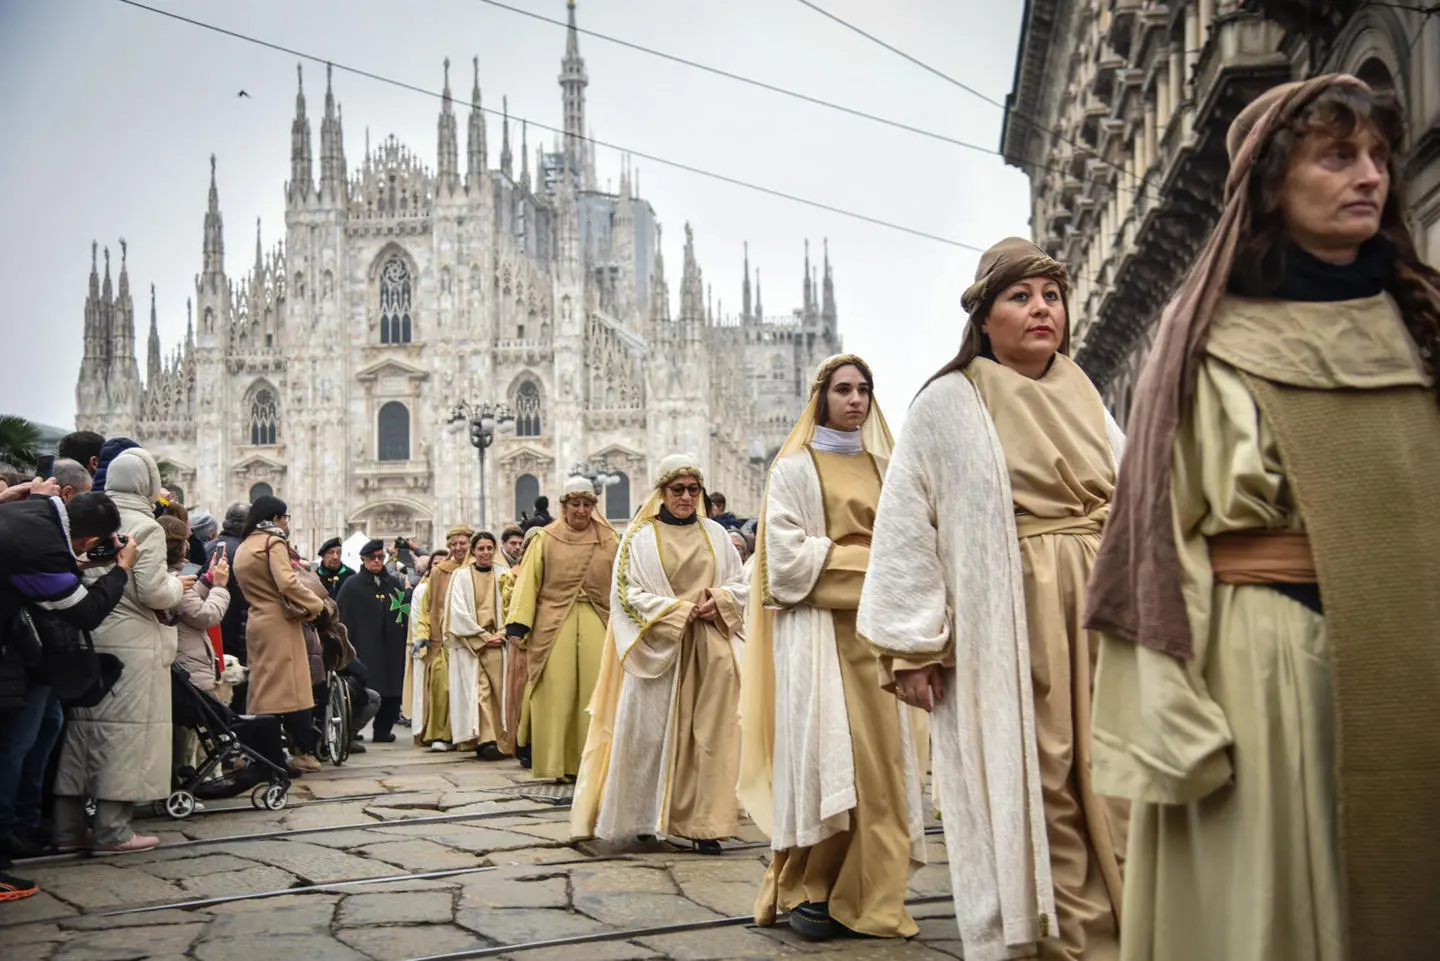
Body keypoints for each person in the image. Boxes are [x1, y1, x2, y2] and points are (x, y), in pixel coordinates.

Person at [1086, 76, 1440, 961]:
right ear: (1273, 182)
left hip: (1417, 658)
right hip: (1273, 671)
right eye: (1337, 155)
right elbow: (1156, 541)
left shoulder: (1421, 323)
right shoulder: (1211, 337)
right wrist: (1170, 707)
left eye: (1379, 157)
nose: (1369, 177)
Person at [857, 239, 1128, 960]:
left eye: (1052, 296)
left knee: (1116, 770)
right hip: (1011, 613)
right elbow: (908, 523)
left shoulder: (1084, 390)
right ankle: (1070, 939)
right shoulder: (949, 402)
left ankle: (1133, 923)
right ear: (984, 316)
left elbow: (1137, 495)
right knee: (1044, 775)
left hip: (1101, 605)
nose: (1042, 309)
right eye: (1021, 296)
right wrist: (915, 642)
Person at [739, 354, 927, 942]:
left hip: (881, 639)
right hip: (820, 643)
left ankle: (873, 893)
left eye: (864, 390)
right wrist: (876, 566)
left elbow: (917, 545)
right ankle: (812, 886)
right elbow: (786, 565)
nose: (855, 400)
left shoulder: (887, 468)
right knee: (826, 759)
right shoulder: (793, 470)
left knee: (881, 767)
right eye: (843, 389)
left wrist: (875, 569)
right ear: (821, 397)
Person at [573, 454, 749, 852]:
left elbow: (742, 585)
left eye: (693, 489)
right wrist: (677, 612)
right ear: (662, 493)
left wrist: (720, 599)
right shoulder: (639, 538)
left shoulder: (717, 535)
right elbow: (627, 595)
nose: (686, 497)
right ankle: (642, 816)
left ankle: (704, 825)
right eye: (677, 489)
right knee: (647, 735)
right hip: (658, 650)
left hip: (709, 649)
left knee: (710, 738)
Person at [53, 448, 188, 855]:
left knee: (82, 734)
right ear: (146, 482)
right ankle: (114, 831)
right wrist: (181, 586)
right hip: (132, 646)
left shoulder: (87, 515)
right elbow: (153, 591)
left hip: (89, 635)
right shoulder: (145, 528)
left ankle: (66, 831)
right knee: (123, 737)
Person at [0, 489, 134, 874]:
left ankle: (22, 822)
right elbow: (87, 612)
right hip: (17, 652)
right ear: (91, 540)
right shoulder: (40, 547)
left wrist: (85, 560)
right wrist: (121, 569)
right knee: (16, 742)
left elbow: (54, 576)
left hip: (23, 651)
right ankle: (6, 828)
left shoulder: (36, 511)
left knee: (40, 730)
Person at [505, 478, 619, 781]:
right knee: (558, 691)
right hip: (553, 622)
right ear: (564, 506)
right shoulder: (545, 538)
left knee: (596, 690)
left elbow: (622, 584)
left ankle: (592, 763)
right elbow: (528, 580)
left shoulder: (610, 540)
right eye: (575, 504)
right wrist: (518, 623)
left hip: (598, 617)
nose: (581, 511)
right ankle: (556, 763)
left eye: (586, 504)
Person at [231, 495, 326, 773]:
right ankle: (272, 758)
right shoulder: (273, 542)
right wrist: (315, 604)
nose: (286, 524)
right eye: (285, 518)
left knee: (262, 689)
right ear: (275, 518)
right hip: (279, 624)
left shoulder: (245, 545)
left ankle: (260, 753)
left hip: (256, 621)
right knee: (281, 692)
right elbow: (287, 582)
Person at [441, 531, 510, 761]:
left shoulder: (504, 574)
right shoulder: (460, 577)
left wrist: (502, 633)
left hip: (500, 643)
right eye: (481, 549)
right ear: (474, 551)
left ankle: (503, 738)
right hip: (474, 644)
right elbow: (457, 612)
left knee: (500, 692)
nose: (486, 553)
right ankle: (486, 740)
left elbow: (513, 606)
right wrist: (481, 636)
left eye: (489, 548)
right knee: (480, 692)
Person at [336, 539, 409, 743]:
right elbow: (342, 619)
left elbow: (403, 612)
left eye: (380, 557)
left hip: (392, 647)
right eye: (372, 558)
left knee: (393, 689)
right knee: (365, 688)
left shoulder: (393, 583)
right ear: (364, 560)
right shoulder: (352, 586)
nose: (377, 561)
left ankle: (383, 730)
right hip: (364, 647)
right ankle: (354, 728)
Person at [409, 526, 474, 749]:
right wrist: (422, 634)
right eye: (453, 544)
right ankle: (442, 735)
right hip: (443, 639)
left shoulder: (478, 568)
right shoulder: (439, 571)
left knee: (470, 690)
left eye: (462, 543)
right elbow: (427, 607)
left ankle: (469, 736)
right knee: (441, 685)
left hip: (472, 639)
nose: (458, 548)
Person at [403, 547, 450, 741]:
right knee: (424, 691)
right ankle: (423, 731)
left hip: (447, 646)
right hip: (427, 647)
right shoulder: (422, 589)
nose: (439, 567)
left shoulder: (452, 585)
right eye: (435, 564)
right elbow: (416, 619)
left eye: (442, 563)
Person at [207, 503, 251, 709]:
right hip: (236, 632)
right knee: (237, 687)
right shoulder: (242, 551)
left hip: (208, 629)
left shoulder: (208, 547)